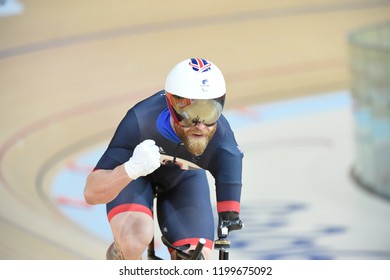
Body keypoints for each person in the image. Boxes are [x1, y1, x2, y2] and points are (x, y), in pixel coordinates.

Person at [84, 57, 244, 260]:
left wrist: (228, 219)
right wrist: (131, 169)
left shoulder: (223, 141)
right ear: (171, 104)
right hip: (135, 179)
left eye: (210, 112)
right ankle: (122, 255)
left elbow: (229, 213)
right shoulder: (140, 122)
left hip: (184, 180)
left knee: (195, 261)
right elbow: (91, 193)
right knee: (135, 239)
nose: (201, 126)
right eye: (191, 113)